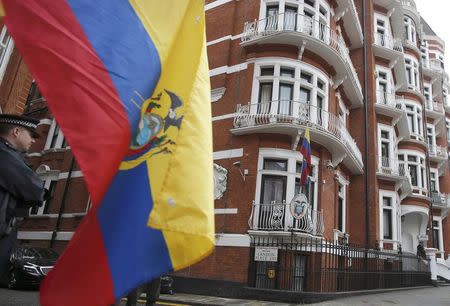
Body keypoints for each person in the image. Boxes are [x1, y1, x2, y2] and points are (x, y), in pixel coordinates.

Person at [0, 114, 46, 284]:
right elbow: (34, 190)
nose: (33, 140)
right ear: (17, 132)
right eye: (31, 134)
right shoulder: (5, 155)